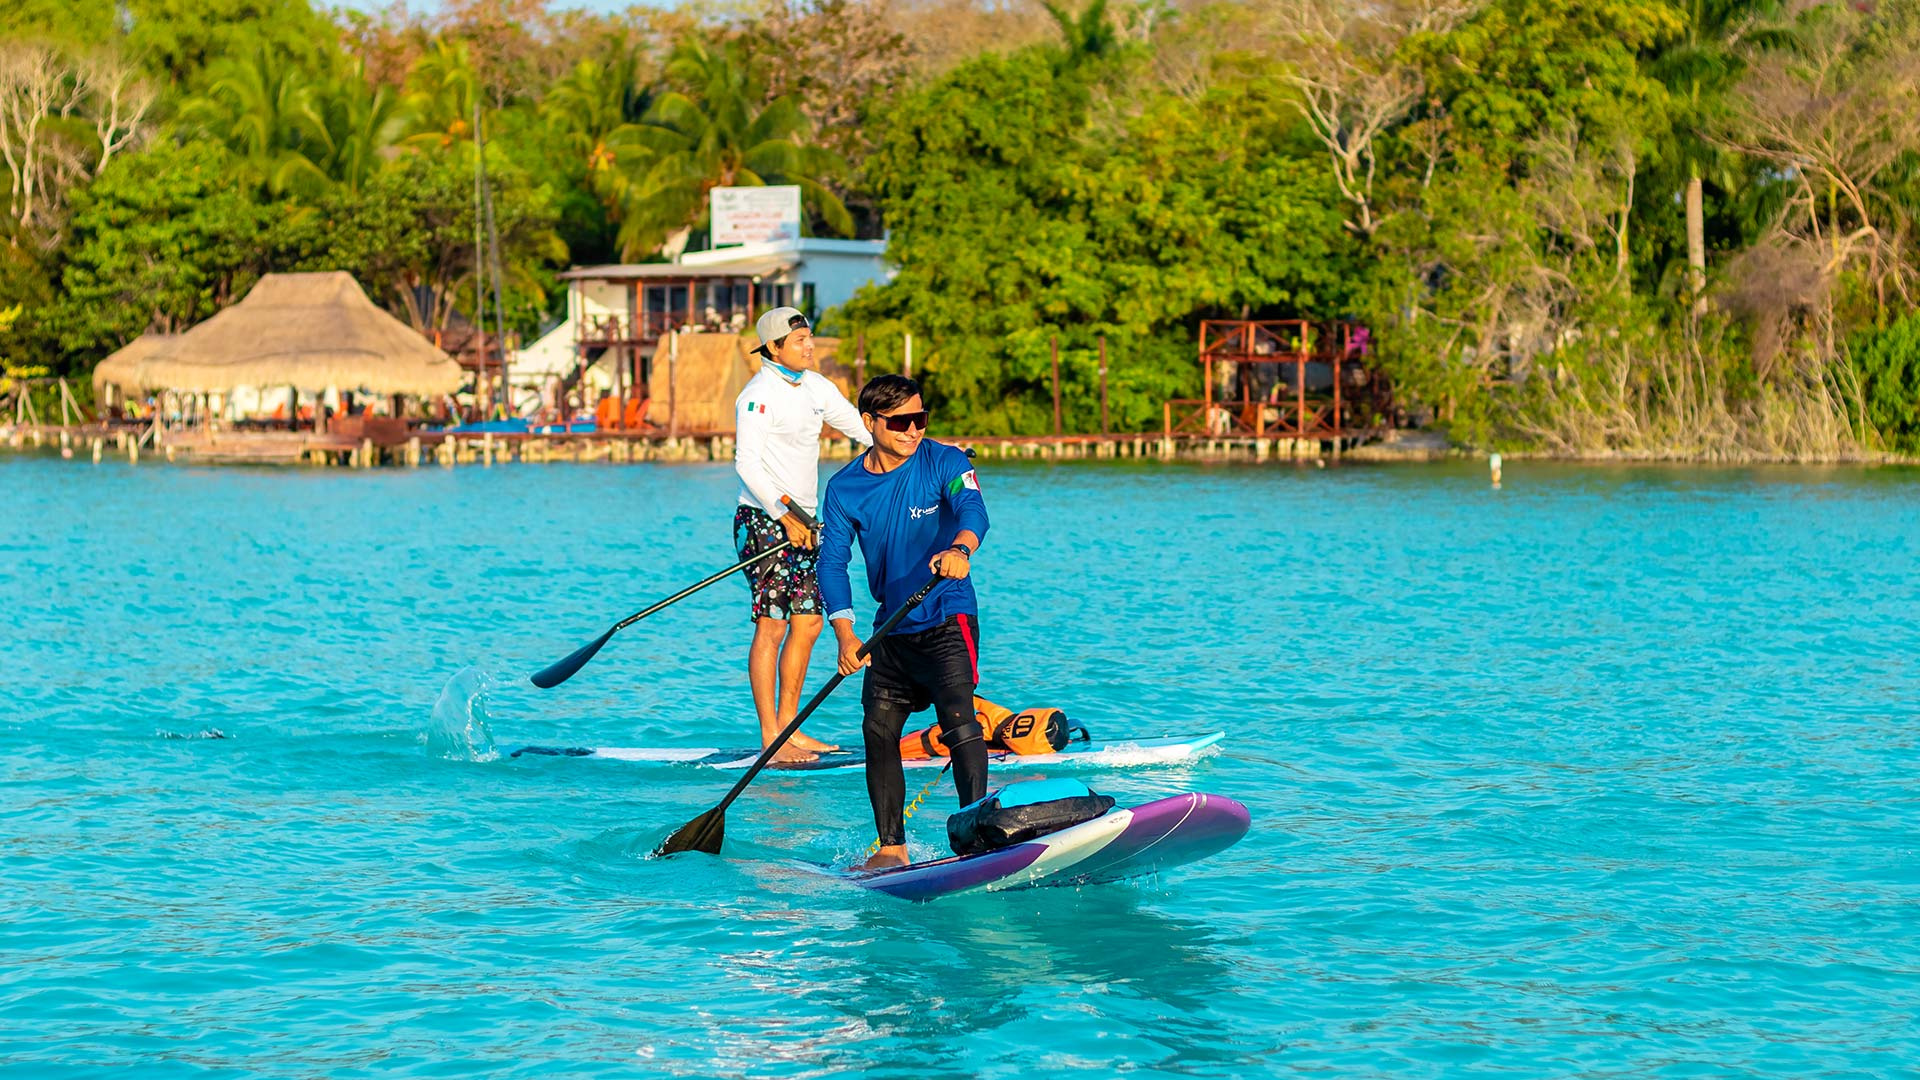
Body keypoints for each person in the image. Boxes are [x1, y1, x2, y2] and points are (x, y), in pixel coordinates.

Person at [818, 374, 989, 870]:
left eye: (921, 419)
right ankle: (891, 849)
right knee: (877, 728)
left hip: (946, 613)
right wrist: (845, 632)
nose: (913, 430)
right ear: (870, 423)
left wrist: (961, 547)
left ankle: (976, 837)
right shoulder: (845, 487)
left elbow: (973, 509)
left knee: (958, 716)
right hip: (889, 629)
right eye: (900, 423)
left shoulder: (946, 461)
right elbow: (831, 563)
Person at [734, 306, 872, 763]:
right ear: (773, 348)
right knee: (772, 627)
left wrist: (925, 452)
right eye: (799, 341)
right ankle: (769, 738)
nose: (809, 346)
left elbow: (861, 430)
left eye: (810, 337)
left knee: (810, 622)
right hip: (762, 519)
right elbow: (747, 464)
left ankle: (790, 729)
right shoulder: (757, 396)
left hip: (807, 522)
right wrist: (783, 513)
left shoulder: (816, 387)